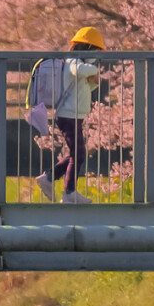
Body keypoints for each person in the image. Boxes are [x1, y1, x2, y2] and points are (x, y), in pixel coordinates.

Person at [40, 26, 105, 205]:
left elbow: (81, 87)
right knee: (79, 154)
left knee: (78, 153)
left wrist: (93, 83)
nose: (98, 57)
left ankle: (49, 178)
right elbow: (81, 71)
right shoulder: (73, 61)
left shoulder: (77, 62)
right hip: (67, 115)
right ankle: (68, 192)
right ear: (89, 48)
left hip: (74, 115)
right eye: (97, 52)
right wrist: (94, 71)